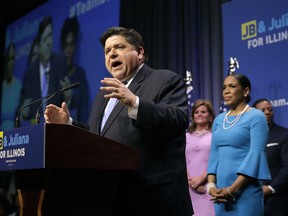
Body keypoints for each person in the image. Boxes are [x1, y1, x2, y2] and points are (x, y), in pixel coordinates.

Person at [43, 26, 193, 216]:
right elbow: (98, 138)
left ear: (139, 53)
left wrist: (135, 102)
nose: (112, 54)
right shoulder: (103, 96)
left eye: (119, 47)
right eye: (107, 51)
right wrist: (68, 124)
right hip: (112, 197)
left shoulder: (165, 79)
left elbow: (179, 119)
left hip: (154, 199)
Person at [206, 73, 271, 215]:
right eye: (224, 87)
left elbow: (256, 154)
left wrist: (232, 190)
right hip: (220, 194)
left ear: (246, 91)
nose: (226, 91)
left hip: (245, 192)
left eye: (232, 86)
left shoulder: (256, 116)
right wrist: (211, 186)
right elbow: (214, 154)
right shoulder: (218, 119)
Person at [16, 16, 67, 125]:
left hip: (57, 127)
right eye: (45, 39)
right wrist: (23, 114)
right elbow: (19, 111)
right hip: (35, 130)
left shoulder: (60, 61)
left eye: (50, 36)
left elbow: (68, 98)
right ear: (38, 45)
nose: (49, 42)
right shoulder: (29, 74)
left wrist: (69, 96)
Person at [252, 98, 288, 216]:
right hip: (251, 200)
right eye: (262, 110)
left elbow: (287, 167)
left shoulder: (284, 134)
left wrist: (271, 188)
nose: (267, 112)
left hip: (276, 201)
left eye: (269, 109)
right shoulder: (247, 136)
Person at [186, 99, 215, 216]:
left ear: (210, 116)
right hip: (188, 187)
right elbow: (180, 161)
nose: (199, 114)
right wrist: (191, 183)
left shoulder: (215, 135)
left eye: (203, 112)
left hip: (209, 185)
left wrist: (200, 180)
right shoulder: (185, 136)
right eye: (196, 112)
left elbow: (217, 160)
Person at [60, 16, 90, 122]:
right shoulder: (56, 76)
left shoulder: (80, 74)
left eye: (71, 45)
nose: (68, 50)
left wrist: (71, 96)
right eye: (66, 45)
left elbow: (84, 111)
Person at [1, 43, 22, 131]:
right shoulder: (2, 87)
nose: (11, 63)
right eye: (9, 59)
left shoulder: (19, 85)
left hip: (15, 136)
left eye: (13, 58)